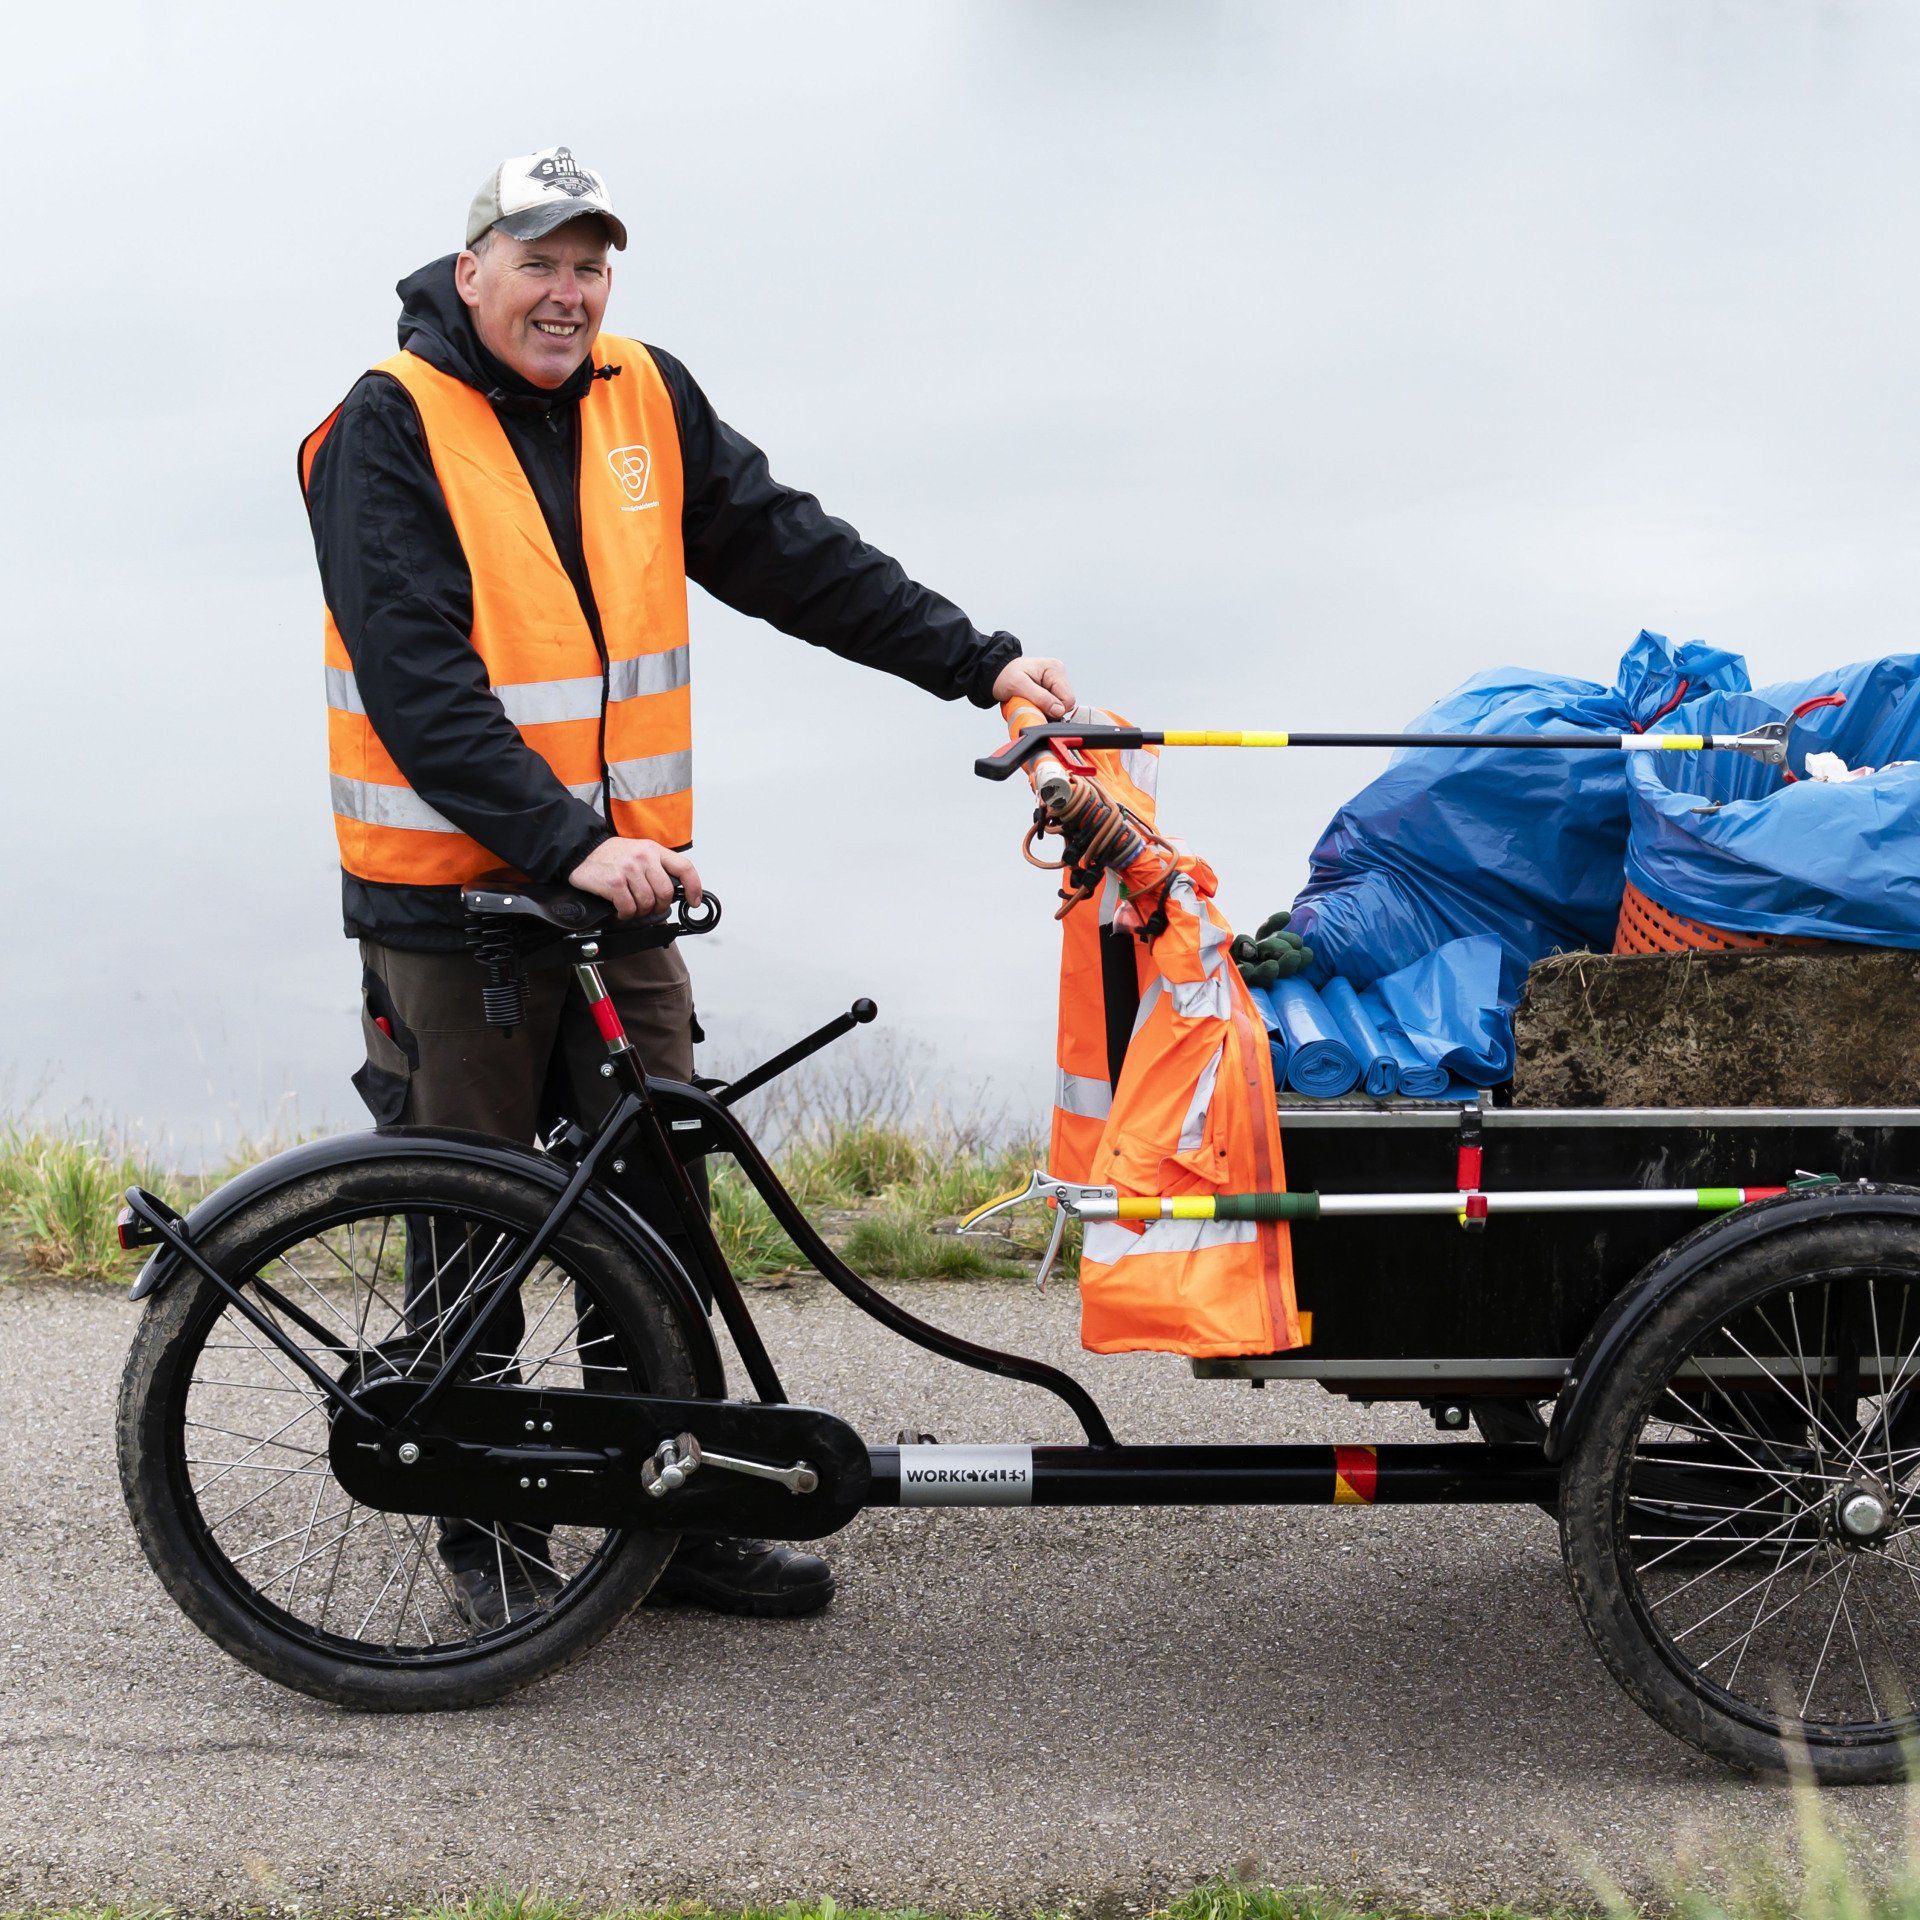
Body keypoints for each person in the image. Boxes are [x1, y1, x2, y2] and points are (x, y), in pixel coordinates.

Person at [299, 144, 1076, 1630]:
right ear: (472, 274)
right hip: (456, 908)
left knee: (657, 1205)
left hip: (615, 904)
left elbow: (787, 551)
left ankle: (671, 1506)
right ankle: (480, 1526)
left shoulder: (643, 394)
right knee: (476, 1220)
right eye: (539, 262)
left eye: (591, 264)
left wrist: (976, 661)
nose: (569, 292)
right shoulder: (383, 430)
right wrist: (566, 839)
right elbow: (418, 682)